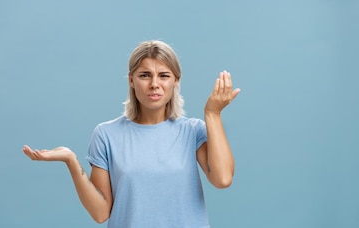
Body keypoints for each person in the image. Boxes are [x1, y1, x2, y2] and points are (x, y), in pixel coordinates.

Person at [22, 40, 240, 228]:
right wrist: (71, 160)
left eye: (164, 75)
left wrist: (212, 113)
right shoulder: (106, 134)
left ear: (175, 81)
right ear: (131, 80)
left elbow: (222, 179)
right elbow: (100, 214)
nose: (154, 84)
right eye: (145, 75)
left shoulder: (192, 131)